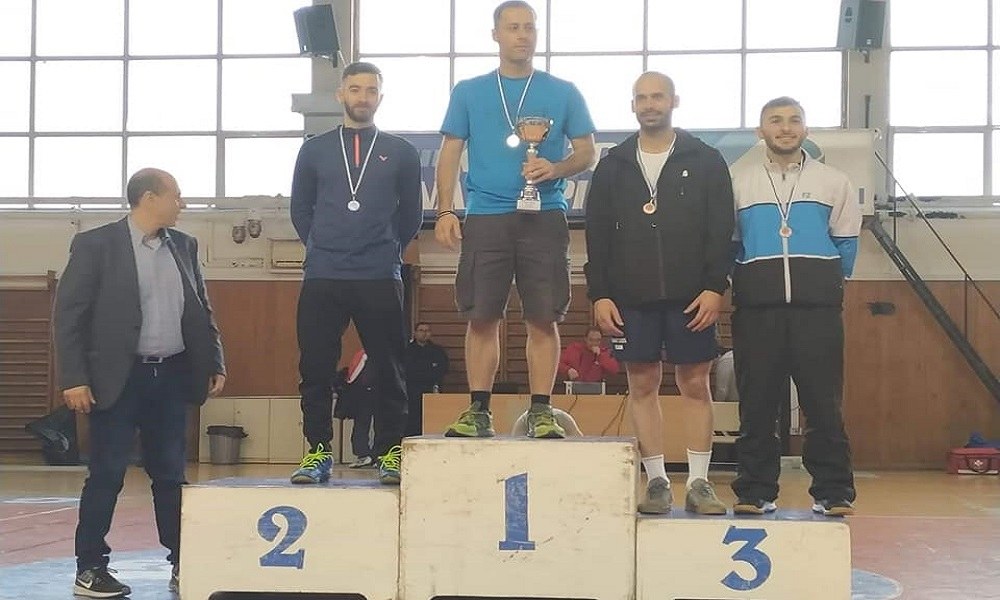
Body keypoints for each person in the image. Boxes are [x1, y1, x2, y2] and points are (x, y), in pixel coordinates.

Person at [55, 168, 226, 598]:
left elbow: (202, 310)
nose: (182, 204)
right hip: (117, 380)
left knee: (171, 475)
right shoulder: (96, 245)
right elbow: (69, 316)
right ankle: (91, 568)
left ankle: (183, 562)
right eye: (176, 196)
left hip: (170, 376)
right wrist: (74, 378)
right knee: (106, 474)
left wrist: (214, 360)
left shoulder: (185, 245)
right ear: (149, 198)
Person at [434, 0, 596, 439]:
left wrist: (555, 168)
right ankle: (478, 410)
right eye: (513, 27)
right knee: (481, 316)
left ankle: (542, 410)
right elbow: (450, 152)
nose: (522, 35)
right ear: (496, 35)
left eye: (529, 27)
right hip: (486, 214)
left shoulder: (563, 91)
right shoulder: (468, 91)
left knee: (544, 317)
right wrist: (446, 209)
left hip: (545, 215)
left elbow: (586, 151)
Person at [585, 72, 734, 515]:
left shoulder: (705, 159)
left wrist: (715, 286)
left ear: (674, 101)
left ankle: (700, 483)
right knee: (642, 383)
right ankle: (656, 482)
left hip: (693, 295)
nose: (650, 104)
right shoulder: (613, 165)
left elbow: (721, 228)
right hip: (631, 297)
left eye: (658, 96)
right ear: (633, 105)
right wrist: (600, 293)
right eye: (642, 98)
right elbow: (597, 235)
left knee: (695, 383)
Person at [290, 61, 422, 485]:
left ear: (380, 97)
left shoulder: (402, 152)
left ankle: (389, 453)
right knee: (315, 368)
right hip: (324, 273)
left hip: (379, 273)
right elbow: (300, 209)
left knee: (390, 368)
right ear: (340, 94)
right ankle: (317, 451)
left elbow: (412, 214)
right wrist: (322, 246)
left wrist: (388, 250)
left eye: (370, 90)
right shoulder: (314, 150)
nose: (363, 97)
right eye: (355, 89)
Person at [729, 97, 860, 517]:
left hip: (817, 312)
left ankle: (833, 492)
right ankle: (754, 491)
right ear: (760, 131)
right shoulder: (739, 182)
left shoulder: (833, 181)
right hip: (757, 312)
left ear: (805, 129)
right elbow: (729, 244)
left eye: (793, 120)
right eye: (775, 121)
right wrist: (748, 283)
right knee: (757, 405)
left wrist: (823, 284)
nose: (785, 128)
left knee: (824, 404)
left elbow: (846, 241)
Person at [404, 322, 450, 436]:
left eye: (427, 331)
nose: (424, 333)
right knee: (412, 419)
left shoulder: (437, 351)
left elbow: (443, 368)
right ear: (415, 333)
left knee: (431, 418)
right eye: (421, 330)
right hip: (411, 391)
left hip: (431, 388)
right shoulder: (407, 350)